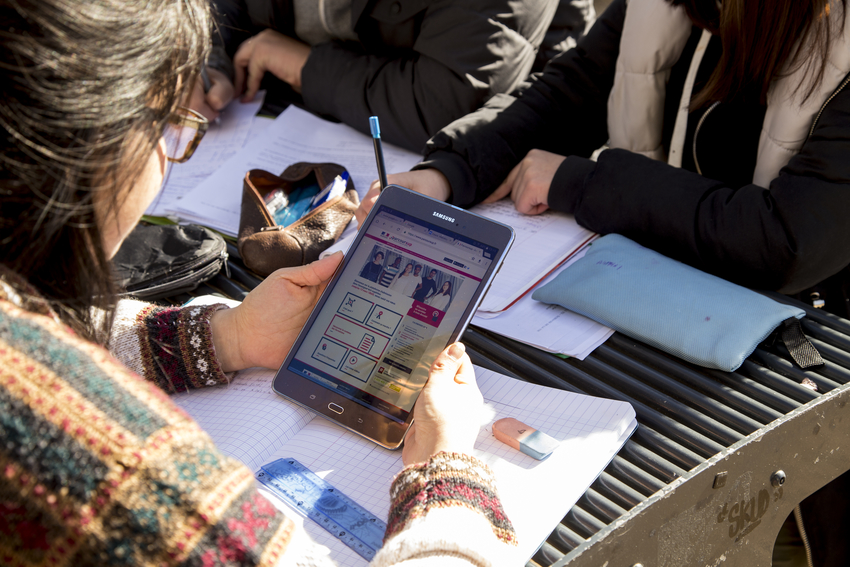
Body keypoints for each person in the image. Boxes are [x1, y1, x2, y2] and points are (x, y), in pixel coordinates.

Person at [0, 0, 518, 564]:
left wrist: (228, 335)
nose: (167, 155)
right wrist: (443, 474)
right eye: (173, 126)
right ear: (95, 145)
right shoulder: (121, 473)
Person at [355, 0, 850, 564]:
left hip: (802, 361)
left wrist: (583, 183)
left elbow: (789, 243)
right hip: (658, 328)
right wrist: (449, 171)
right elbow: (571, 88)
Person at [191, 0, 595, 151]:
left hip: (465, 164)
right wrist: (205, 58)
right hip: (274, 133)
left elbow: (446, 107)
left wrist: (304, 67)